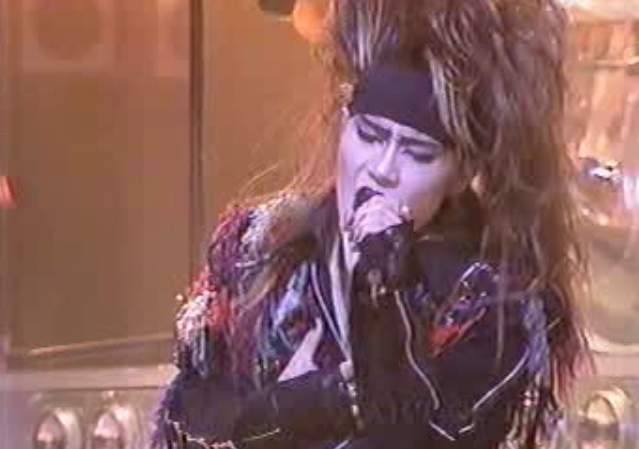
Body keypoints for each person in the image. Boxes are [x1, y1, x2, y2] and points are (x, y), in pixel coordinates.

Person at [153, 0, 589, 448]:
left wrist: (385, 295)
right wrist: (278, 413)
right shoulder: (254, 247)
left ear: (461, 174)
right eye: (370, 135)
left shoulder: (490, 306)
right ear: (345, 125)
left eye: (417, 153)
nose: (382, 170)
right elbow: (187, 412)